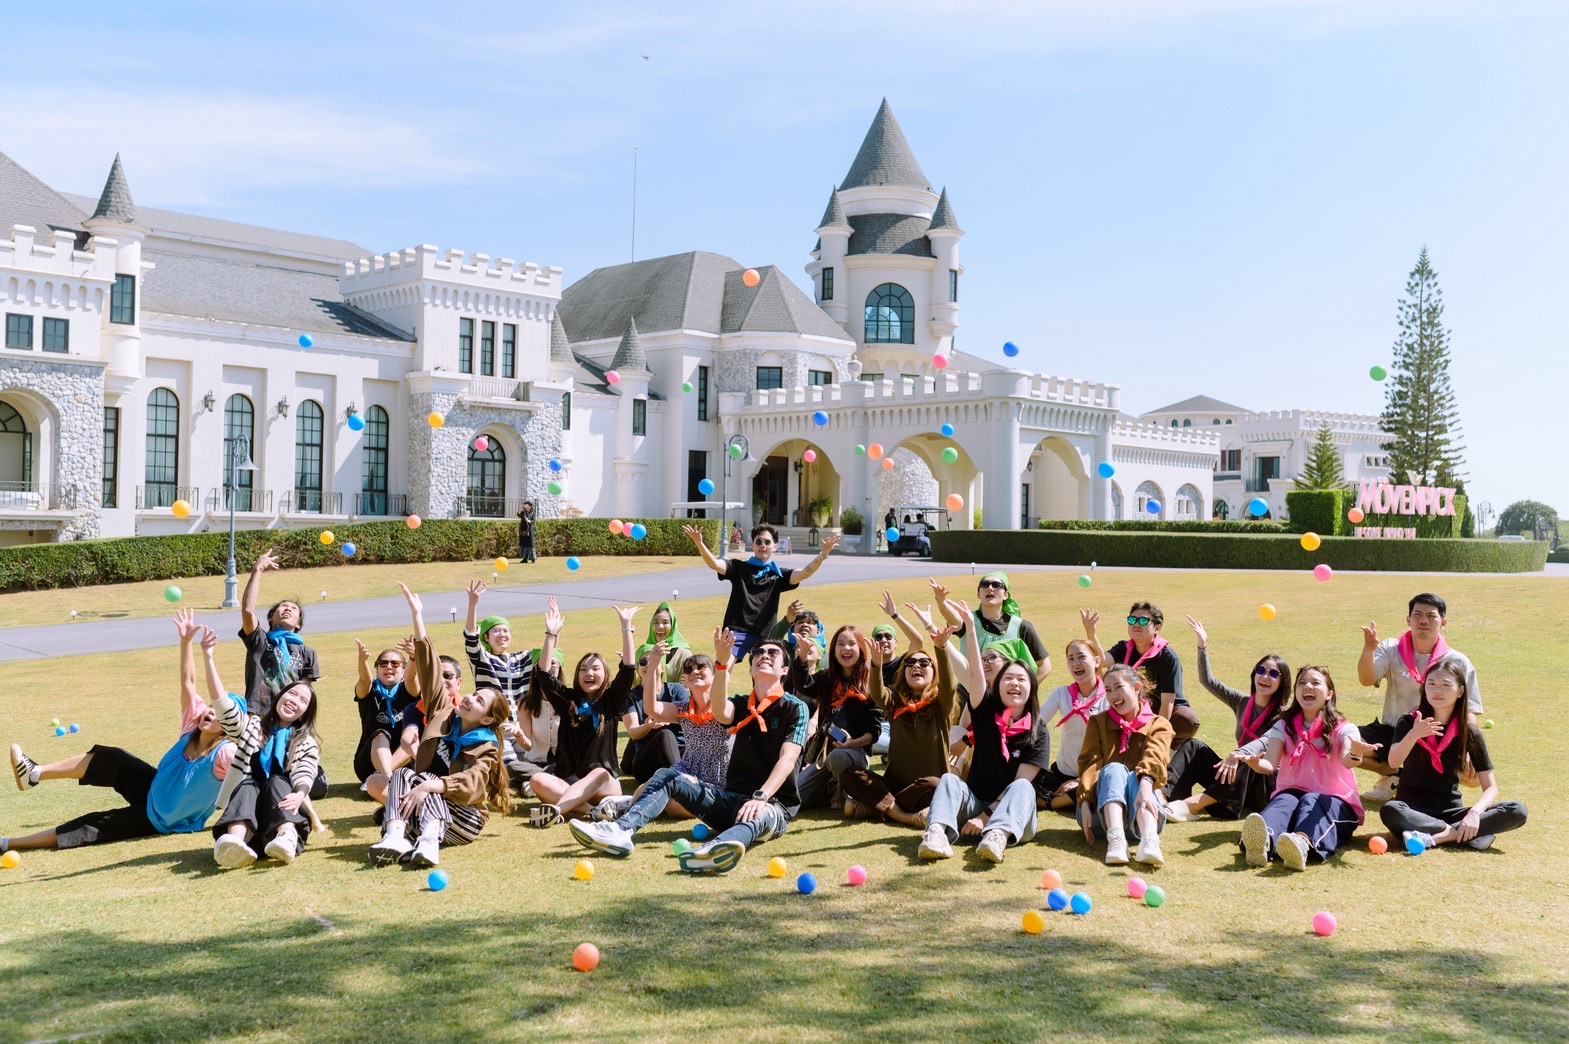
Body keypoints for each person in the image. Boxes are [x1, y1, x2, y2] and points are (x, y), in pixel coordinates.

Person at [568, 637, 808, 875]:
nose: (764, 655)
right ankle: (620, 831)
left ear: (784, 670)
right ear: (750, 668)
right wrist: (721, 663)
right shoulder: (741, 705)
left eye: (773, 653)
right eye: (758, 652)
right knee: (667, 776)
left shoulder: (795, 708)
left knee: (756, 816)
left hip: (772, 805)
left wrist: (761, 796)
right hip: (730, 799)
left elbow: (787, 759)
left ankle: (714, 850)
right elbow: (721, 713)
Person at [4, 613, 238, 854]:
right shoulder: (193, 724)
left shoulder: (225, 753)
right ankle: (34, 774)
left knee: (91, 824)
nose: (211, 712)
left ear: (229, 725)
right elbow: (188, 682)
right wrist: (186, 642)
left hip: (160, 818)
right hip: (154, 788)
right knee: (113, 758)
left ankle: (8, 843)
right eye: (211, 706)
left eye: (219, 713)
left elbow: (250, 774)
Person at [369, 583, 512, 867]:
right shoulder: (443, 714)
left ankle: (427, 841)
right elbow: (430, 669)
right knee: (404, 775)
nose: (469, 698)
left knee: (424, 780)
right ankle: (396, 836)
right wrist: (417, 615)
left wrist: (433, 786)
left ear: (486, 719)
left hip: (464, 821)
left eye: (479, 701)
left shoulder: (486, 747)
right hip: (426, 810)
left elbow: (472, 784)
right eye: (473, 693)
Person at [918, 600, 1049, 864]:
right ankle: (935, 834)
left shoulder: (1038, 731)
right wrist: (970, 627)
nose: (1014, 684)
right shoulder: (986, 712)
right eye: (1008, 678)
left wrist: (986, 817)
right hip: (975, 802)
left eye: (1021, 679)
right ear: (998, 686)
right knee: (950, 780)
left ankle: (997, 836)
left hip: (1015, 815)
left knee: (1023, 786)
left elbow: (1019, 784)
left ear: (1031, 688)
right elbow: (975, 674)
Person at [1234, 666, 1377, 871]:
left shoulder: (1345, 728)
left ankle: (1301, 843)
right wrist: (1256, 763)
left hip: (1336, 804)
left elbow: (1348, 761)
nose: (1307, 686)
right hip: (1294, 795)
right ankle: (1263, 842)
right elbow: (1270, 764)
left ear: (1329, 694)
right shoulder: (1283, 726)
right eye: (1302, 682)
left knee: (1312, 799)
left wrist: (1356, 752)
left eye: (1315, 683)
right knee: (1284, 800)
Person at [1379, 660, 1526, 852]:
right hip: (1411, 809)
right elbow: (1393, 762)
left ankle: (1435, 837)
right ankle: (1462, 834)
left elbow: (1491, 787)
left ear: (1461, 691)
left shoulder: (1469, 732)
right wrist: (1414, 734)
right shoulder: (1409, 722)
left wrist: (1474, 814)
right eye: (1431, 684)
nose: (1437, 691)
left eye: (1446, 685)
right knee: (1390, 810)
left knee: (1517, 810)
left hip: (1451, 809)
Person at [1356, 593, 1483, 802]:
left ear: (1443, 623)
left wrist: (1468, 749)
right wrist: (1369, 650)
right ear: (1408, 620)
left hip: (1438, 734)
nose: (1423, 620)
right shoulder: (1391, 648)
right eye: (1417, 615)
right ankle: (1392, 774)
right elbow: (1366, 679)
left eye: (1431, 616)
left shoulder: (1457, 661)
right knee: (1341, 743)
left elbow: (1469, 711)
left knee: (1474, 776)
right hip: (1396, 731)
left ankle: (1423, 782)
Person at [1162, 617, 1290, 822]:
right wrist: (1202, 645)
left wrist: (1238, 755)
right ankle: (1162, 797)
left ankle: (1192, 805)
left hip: (1265, 785)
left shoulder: (1283, 716)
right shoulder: (1241, 701)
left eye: (1273, 674)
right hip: (1238, 778)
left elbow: (1264, 742)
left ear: (1282, 682)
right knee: (1193, 746)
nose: (1265, 677)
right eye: (1261, 670)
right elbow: (1208, 681)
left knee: (1251, 759)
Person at [525, 601, 640, 825]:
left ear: (605, 674)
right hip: (569, 781)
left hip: (604, 785)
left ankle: (558, 810)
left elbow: (628, 668)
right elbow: (544, 673)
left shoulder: (612, 700)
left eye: (595, 668)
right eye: (583, 669)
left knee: (598, 773)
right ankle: (592, 812)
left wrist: (626, 627)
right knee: (538, 779)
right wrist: (551, 634)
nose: (589, 673)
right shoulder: (567, 700)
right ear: (577, 675)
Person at [609, 629, 736, 821]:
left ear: (713, 675)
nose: (694, 672)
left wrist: (722, 660)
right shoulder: (683, 709)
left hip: (714, 780)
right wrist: (653, 666)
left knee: (675, 805)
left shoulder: (725, 708)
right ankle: (626, 811)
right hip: (686, 770)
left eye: (701, 667)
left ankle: (642, 806)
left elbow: (722, 691)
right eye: (689, 669)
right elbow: (652, 708)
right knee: (646, 786)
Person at [851, 618, 963, 826]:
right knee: (851, 774)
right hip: (895, 785)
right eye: (910, 664)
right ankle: (904, 815)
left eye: (924, 663)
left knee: (937, 785)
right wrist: (876, 664)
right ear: (904, 672)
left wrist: (940, 648)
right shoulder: (895, 700)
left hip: (927, 787)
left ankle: (878, 806)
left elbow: (949, 686)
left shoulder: (942, 704)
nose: (916, 666)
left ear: (934, 672)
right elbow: (878, 694)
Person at [210, 672, 322, 868]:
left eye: (303, 700)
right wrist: (208, 658)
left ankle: (286, 837)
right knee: (247, 785)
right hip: (253, 826)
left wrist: (300, 794)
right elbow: (223, 708)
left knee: (276, 781)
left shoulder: (306, 742)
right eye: (292, 694)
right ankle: (235, 842)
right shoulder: (252, 727)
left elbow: (306, 771)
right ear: (279, 696)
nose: (294, 701)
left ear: (305, 713)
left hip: (288, 818)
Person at [683, 522, 838, 659]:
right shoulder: (738, 567)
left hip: (764, 634)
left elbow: (804, 573)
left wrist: (823, 554)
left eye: (767, 542)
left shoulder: (778, 574)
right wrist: (699, 543)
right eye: (759, 541)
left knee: (764, 671)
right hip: (736, 630)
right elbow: (715, 564)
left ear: (775, 546)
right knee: (725, 665)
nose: (762, 545)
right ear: (753, 545)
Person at [1076, 664, 1174, 867]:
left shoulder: (1160, 725)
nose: (1113, 695)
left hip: (1144, 815)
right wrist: (1084, 801)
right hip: (1099, 816)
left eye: (1119, 687)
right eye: (1108, 690)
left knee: (1138, 775)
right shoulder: (1098, 722)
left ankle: (1150, 840)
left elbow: (1155, 758)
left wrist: (1146, 785)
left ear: (1136, 687)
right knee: (1114, 769)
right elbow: (1089, 763)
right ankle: (1116, 839)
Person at [795, 625, 884, 812]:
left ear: (861, 649)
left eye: (852, 644)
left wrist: (853, 743)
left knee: (839, 756)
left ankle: (843, 795)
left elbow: (875, 731)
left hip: (855, 754)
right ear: (834, 651)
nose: (846, 648)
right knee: (795, 798)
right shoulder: (827, 678)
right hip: (825, 754)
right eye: (840, 644)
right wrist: (802, 657)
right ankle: (828, 792)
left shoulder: (870, 683)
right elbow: (804, 685)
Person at [1084, 601, 1198, 740]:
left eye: (1143, 621)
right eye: (1132, 620)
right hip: (1134, 705)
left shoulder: (1167, 657)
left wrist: (1157, 734)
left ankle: (1171, 748)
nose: (1136, 624)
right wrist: (1091, 633)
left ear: (1157, 628)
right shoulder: (1124, 648)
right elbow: (1102, 661)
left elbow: (1167, 702)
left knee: (1186, 719)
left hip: (1161, 708)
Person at [237, 547, 320, 717]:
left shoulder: (307, 653)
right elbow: (247, 611)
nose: (288, 609)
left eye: (293, 608)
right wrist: (257, 570)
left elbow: (304, 693)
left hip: (287, 717)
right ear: (270, 618)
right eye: (283, 606)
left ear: (298, 624)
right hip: (257, 715)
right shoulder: (260, 641)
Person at [463, 579, 534, 773]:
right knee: (510, 765)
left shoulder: (522, 658)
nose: (502, 634)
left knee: (535, 758)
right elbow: (471, 638)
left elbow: (549, 661)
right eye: (496, 630)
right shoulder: (482, 659)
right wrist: (473, 604)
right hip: (496, 728)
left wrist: (552, 632)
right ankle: (537, 779)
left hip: (522, 728)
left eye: (505, 630)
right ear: (486, 637)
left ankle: (537, 779)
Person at [1034, 637, 1108, 811]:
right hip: (1062, 773)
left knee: (1100, 786)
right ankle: (1067, 798)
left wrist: (1080, 780)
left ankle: (1052, 802)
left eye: (1081, 657)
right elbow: (1036, 724)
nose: (1076, 663)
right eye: (1071, 659)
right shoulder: (1061, 693)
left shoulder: (1109, 696)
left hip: (1094, 773)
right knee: (1026, 780)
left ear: (1097, 661)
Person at [936, 574, 1052, 682]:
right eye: (985, 585)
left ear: (1006, 595)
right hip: (967, 690)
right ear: (978, 594)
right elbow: (953, 618)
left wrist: (1024, 689)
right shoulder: (968, 618)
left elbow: (1045, 666)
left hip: (1004, 693)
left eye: (997, 585)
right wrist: (941, 602)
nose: (990, 588)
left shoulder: (1021, 627)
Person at [350, 639, 424, 805]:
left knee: (411, 738)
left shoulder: (409, 689)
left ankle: (384, 776)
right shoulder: (369, 691)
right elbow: (365, 680)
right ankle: (388, 778)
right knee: (380, 734)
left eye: (395, 663)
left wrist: (413, 657)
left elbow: (411, 678)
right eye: (383, 663)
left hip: (405, 762)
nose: (389, 667)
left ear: (403, 670)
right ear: (377, 669)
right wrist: (362, 660)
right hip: (368, 765)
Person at [635, 601, 693, 684]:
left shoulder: (684, 655)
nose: (660, 626)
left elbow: (686, 687)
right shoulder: (643, 651)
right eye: (656, 622)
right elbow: (635, 683)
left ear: (672, 626)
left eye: (665, 622)